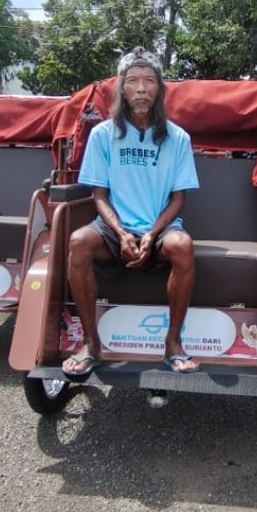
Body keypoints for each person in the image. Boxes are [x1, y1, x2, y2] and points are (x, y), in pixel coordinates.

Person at [63, 47, 200, 378]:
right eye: (134, 81)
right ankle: (91, 345)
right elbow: (99, 195)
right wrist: (123, 233)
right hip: (113, 228)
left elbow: (178, 200)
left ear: (160, 89)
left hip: (160, 228)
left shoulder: (178, 138)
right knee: (79, 241)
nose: (141, 88)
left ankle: (173, 345)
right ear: (122, 88)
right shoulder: (103, 134)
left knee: (182, 246)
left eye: (150, 81)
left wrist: (152, 233)